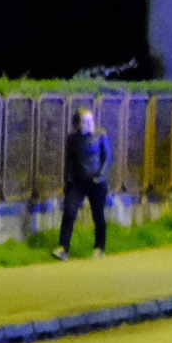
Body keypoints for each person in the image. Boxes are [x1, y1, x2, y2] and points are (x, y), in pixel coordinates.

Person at [56, 104, 114, 258]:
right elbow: (69, 162)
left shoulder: (100, 135)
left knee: (98, 214)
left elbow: (107, 158)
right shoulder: (72, 139)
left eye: (90, 120)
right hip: (77, 182)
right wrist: (68, 182)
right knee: (69, 211)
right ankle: (63, 247)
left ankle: (100, 247)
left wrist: (100, 176)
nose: (88, 124)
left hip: (96, 183)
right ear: (77, 123)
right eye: (84, 121)